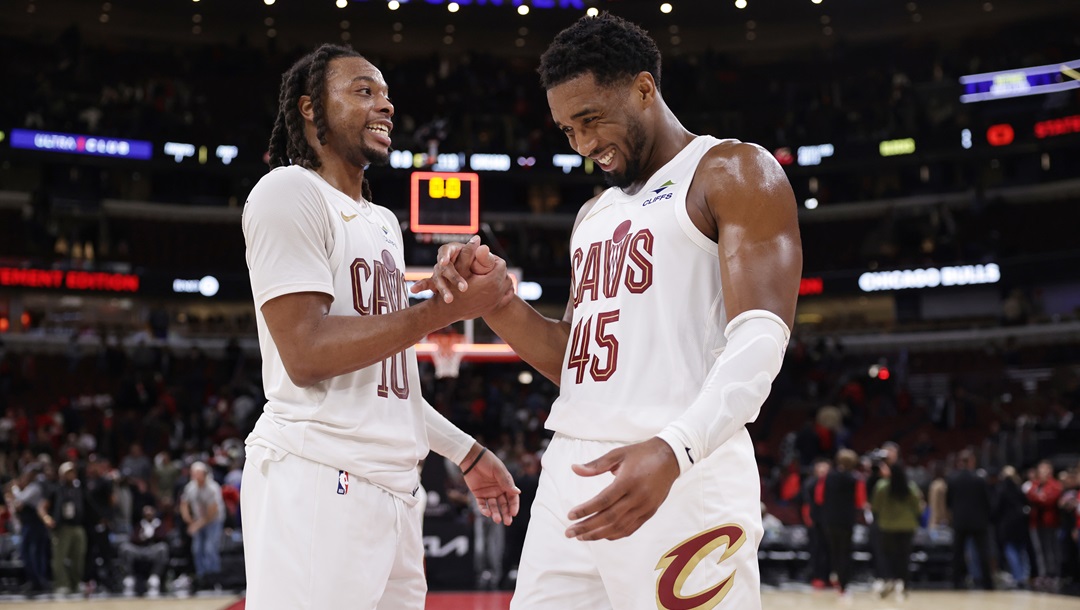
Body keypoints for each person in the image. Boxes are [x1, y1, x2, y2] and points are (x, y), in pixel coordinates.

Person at [417, 13, 800, 609]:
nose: (583, 144)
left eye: (591, 119)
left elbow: (760, 339)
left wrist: (677, 449)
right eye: (568, 130)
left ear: (644, 88)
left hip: (679, 470)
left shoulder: (732, 172)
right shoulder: (593, 215)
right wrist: (497, 300)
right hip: (572, 469)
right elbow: (577, 360)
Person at [239, 43, 521, 610]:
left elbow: (388, 385)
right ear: (310, 109)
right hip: (319, 475)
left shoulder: (383, 222)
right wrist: (444, 310)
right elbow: (308, 352)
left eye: (387, 95)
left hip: (395, 489)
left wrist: (465, 452)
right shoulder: (287, 192)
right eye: (364, 91)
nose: (384, 105)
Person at [870, 461, 923, 601]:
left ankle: (890, 580)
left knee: (888, 556)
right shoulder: (910, 487)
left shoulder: (882, 486)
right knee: (904, 557)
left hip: (887, 526)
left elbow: (875, 507)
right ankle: (903, 584)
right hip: (907, 526)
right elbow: (917, 507)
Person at [820, 449, 866, 601]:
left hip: (830, 519)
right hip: (846, 520)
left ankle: (834, 576)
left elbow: (820, 498)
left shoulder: (828, 477)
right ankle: (843, 585)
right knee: (845, 552)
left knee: (834, 550)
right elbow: (860, 501)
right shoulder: (855, 478)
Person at [946, 449, 994, 590]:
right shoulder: (980, 478)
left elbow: (948, 502)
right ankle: (987, 582)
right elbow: (987, 501)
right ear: (972, 461)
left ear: (960, 462)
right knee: (983, 552)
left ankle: (956, 581)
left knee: (958, 553)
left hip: (960, 521)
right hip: (979, 521)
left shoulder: (953, 478)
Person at [179, 461, 224, 590]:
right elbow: (184, 504)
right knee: (197, 549)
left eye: (199, 473)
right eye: (194, 473)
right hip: (198, 521)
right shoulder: (190, 488)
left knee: (210, 548)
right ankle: (201, 578)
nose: (197, 476)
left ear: (205, 474)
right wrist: (188, 519)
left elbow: (212, 512)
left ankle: (214, 579)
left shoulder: (212, 488)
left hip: (214, 521)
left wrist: (196, 525)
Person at [119, 504, 170, 597]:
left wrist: (153, 534)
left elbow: (164, 537)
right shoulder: (139, 524)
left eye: (150, 511)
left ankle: (154, 577)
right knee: (125, 547)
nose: (148, 513)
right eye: (146, 511)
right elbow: (132, 539)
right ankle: (129, 577)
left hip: (153, 549)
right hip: (139, 550)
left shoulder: (158, 524)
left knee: (163, 548)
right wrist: (142, 536)